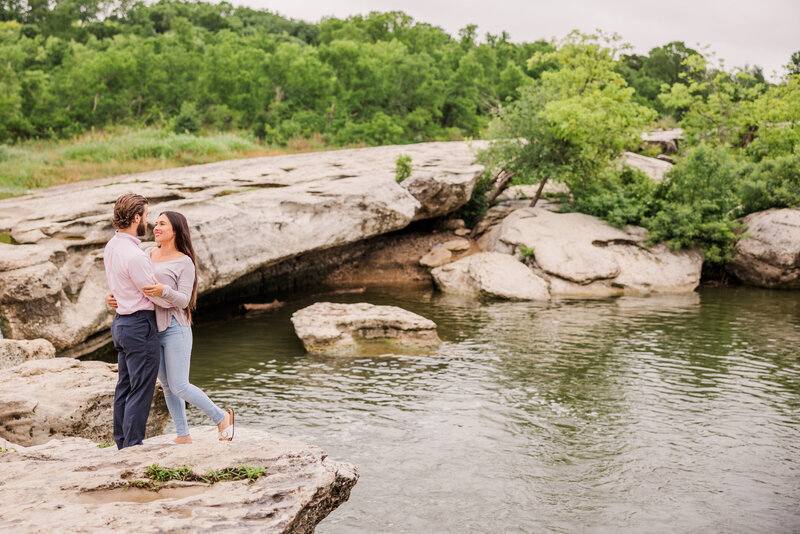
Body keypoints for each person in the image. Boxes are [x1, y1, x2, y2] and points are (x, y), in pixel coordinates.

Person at [108, 210, 234, 443]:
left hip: (176, 327)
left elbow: (185, 300)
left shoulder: (184, 261)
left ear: (176, 230)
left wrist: (162, 291)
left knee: (179, 384)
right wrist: (116, 298)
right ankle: (183, 434)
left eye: (162, 225)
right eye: (155, 223)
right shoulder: (147, 253)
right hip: (150, 328)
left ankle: (221, 417)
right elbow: (133, 285)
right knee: (166, 385)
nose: (156, 228)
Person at [104, 193, 172, 449]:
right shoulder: (136, 255)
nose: (148, 221)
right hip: (139, 325)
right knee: (141, 388)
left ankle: (122, 443)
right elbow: (152, 293)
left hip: (121, 323)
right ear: (136, 218)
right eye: (145, 215)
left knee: (125, 386)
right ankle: (132, 446)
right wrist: (178, 300)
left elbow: (118, 284)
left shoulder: (112, 246)